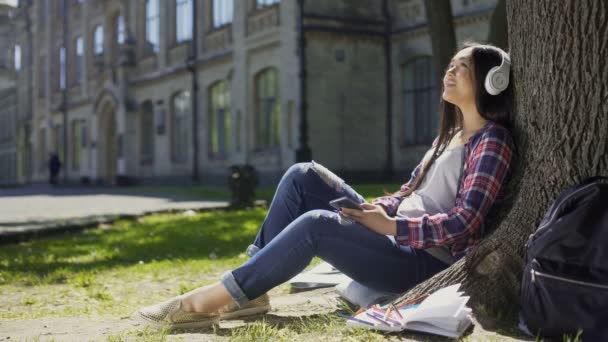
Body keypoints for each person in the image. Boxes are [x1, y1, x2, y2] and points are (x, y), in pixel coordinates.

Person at [134, 42, 516, 329]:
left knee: (318, 223)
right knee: (304, 175)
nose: (449, 72)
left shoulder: (492, 140)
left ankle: (209, 302)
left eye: (462, 68)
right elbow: (409, 194)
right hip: (396, 234)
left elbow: (467, 221)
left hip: (424, 262)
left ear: (489, 81)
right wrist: (379, 209)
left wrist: (391, 227)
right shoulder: (448, 137)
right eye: (450, 65)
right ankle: (252, 287)